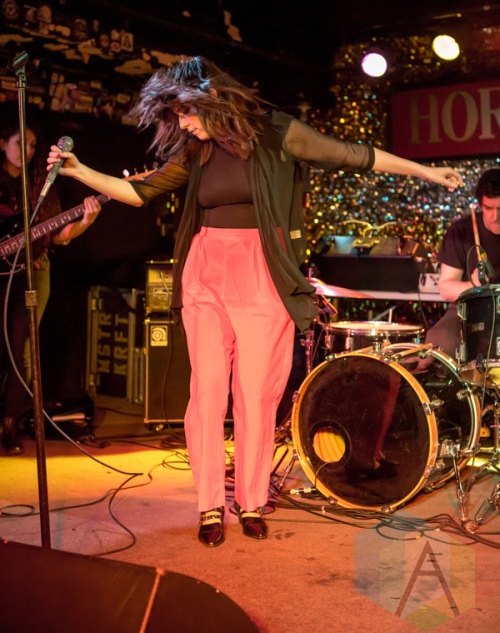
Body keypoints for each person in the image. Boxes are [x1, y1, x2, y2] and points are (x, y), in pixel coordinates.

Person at [46, 55, 463, 547]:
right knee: (206, 392)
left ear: (210, 97)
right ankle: (208, 505)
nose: (183, 123)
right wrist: (80, 171)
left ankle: (249, 500)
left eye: (185, 112)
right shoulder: (195, 150)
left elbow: (352, 154)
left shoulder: (276, 132)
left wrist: (426, 173)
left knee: (255, 394)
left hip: (262, 272)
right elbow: (139, 192)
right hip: (205, 271)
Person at [0, 114, 102, 455]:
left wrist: (86, 222)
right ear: (2, 144)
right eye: (21, 143)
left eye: (32, 145)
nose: (28, 151)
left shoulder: (40, 183)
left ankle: (10, 424)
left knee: (22, 351)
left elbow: (58, 235)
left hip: (31, 273)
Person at [425, 167, 500, 358]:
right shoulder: (460, 232)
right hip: (469, 309)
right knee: (440, 339)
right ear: (480, 205)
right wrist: (473, 284)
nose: (495, 217)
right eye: (488, 208)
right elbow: (446, 288)